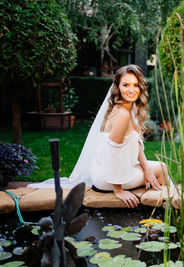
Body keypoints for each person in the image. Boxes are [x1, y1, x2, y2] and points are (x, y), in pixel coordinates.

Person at [28, 65, 170, 208]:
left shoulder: (128, 107)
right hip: (109, 177)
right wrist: (118, 191)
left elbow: (137, 143)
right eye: (126, 85)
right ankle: (165, 210)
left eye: (135, 85)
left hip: (110, 169)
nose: (131, 90)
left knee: (156, 169)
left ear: (141, 88)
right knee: (162, 168)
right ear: (117, 87)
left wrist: (146, 169)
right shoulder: (122, 114)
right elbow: (114, 152)